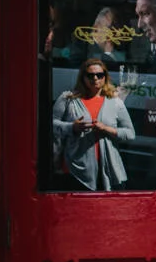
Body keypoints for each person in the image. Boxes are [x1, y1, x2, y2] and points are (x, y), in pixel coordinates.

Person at [51, 58, 136, 191]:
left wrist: (106, 128)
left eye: (99, 75)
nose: (95, 78)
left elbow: (130, 133)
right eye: (90, 75)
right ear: (83, 77)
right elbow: (51, 125)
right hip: (74, 170)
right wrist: (72, 127)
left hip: (107, 170)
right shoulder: (68, 99)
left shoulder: (115, 101)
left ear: (105, 77)